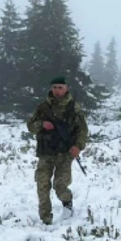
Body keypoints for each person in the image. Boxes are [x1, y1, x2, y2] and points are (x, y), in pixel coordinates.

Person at [26, 75, 89, 225]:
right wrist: (42, 124)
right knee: (42, 185)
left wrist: (78, 146)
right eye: (54, 87)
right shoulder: (43, 108)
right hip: (46, 152)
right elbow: (30, 126)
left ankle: (67, 204)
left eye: (60, 87)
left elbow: (82, 130)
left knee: (60, 187)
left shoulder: (74, 108)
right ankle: (45, 218)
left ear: (66, 88)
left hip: (65, 154)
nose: (57, 90)